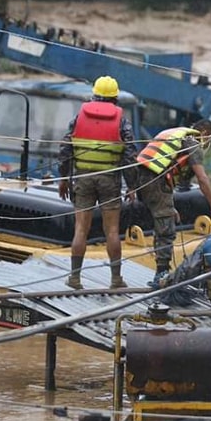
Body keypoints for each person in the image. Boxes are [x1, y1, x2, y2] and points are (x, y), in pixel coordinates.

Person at [58, 76, 138, 290]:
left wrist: (64, 178)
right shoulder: (122, 121)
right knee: (111, 230)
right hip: (110, 180)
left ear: (94, 95)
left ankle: (75, 279)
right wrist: (132, 185)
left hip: (83, 179)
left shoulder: (79, 117)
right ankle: (116, 280)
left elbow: (65, 150)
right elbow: (130, 155)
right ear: (115, 99)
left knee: (81, 230)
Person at [136, 119, 211, 282]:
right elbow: (202, 178)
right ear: (204, 133)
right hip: (155, 180)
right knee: (166, 229)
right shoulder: (192, 142)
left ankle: (161, 269)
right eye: (209, 138)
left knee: (164, 218)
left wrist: (169, 206)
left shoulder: (177, 134)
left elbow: (164, 166)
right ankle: (162, 273)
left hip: (140, 176)